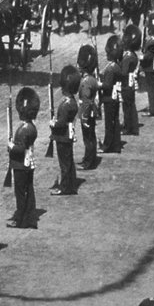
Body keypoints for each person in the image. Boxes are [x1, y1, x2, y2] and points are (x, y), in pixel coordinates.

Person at [8, 87, 40, 229]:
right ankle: (28, 215)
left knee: (21, 193)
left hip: (21, 164)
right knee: (28, 190)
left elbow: (19, 148)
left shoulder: (24, 129)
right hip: (28, 162)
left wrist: (11, 146)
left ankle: (21, 219)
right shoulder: (31, 127)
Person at [51, 67, 79, 196]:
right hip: (68, 134)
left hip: (62, 136)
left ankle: (65, 187)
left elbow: (60, 123)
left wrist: (53, 123)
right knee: (69, 161)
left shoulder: (65, 104)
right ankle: (71, 183)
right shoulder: (72, 101)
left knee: (64, 163)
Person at [76, 46, 100, 171]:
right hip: (92, 111)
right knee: (91, 137)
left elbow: (86, 101)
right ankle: (90, 159)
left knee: (88, 138)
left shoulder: (85, 81)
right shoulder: (92, 79)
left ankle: (88, 162)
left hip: (87, 111)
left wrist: (84, 116)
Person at [100, 35, 122, 154]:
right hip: (115, 97)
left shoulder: (110, 68)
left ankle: (107, 145)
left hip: (109, 98)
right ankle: (115, 144)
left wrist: (98, 83)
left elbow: (107, 85)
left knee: (109, 124)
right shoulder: (117, 66)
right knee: (115, 122)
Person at [120, 25, 141, 137]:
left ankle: (128, 127)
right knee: (131, 105)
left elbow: (123, 72)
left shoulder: (127, 57)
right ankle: (132, 125)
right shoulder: (133, 55)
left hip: (126, 84)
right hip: (131, 83)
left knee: (127, 106)